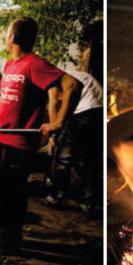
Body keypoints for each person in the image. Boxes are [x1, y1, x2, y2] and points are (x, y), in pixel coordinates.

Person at [0, 17, 83, 251]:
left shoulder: (34, 63)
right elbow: (3, 98)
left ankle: (10, 240)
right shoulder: (9, 65)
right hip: (1, 138)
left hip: (20, 143)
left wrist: (58, 122)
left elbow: (73, 85)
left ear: (13, 37)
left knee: (13, 194)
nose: (6, 37)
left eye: (7, 34)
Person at [45, 61, 104, 211]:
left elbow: (53, 103)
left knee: (63, 157)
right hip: (99, 114)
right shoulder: (77, 74)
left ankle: (56, 196)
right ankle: (88, 201)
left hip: (82, 114)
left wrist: (54, 133)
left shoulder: (56, 79)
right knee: (89, 159)